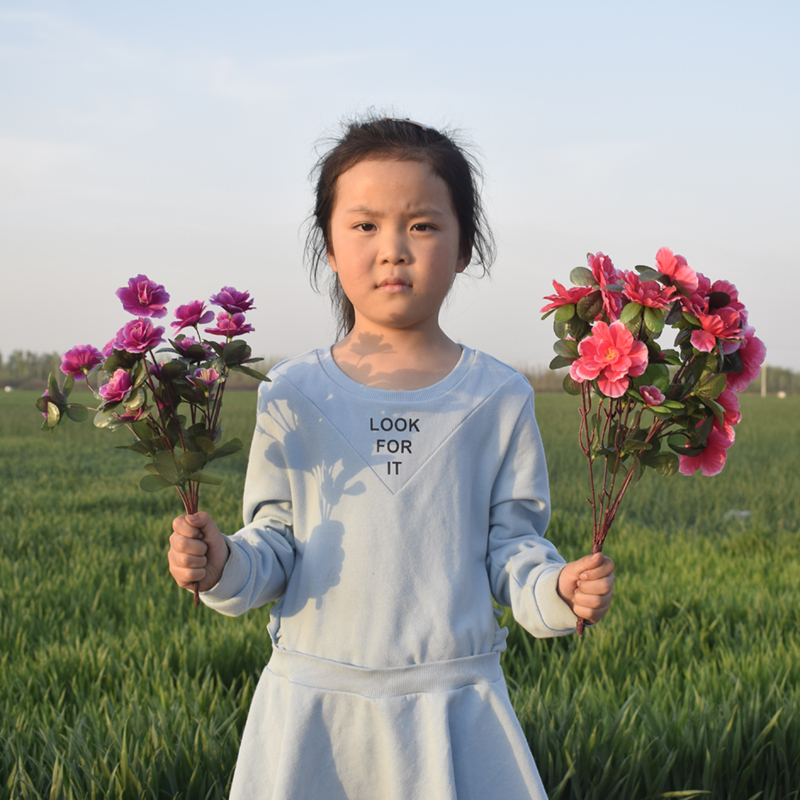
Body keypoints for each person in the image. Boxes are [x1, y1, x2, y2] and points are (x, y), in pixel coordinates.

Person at [168, 115, 615, 799]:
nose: (394, 249)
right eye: (365, 225)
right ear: (329, 245)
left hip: (452, 704)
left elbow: (513, 547)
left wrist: (556, 591)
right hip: (316, 704)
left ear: (466, 245)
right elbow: (277, 544)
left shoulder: (496, 395)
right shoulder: (293, 391)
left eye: (424, 225)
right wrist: (223, 562)